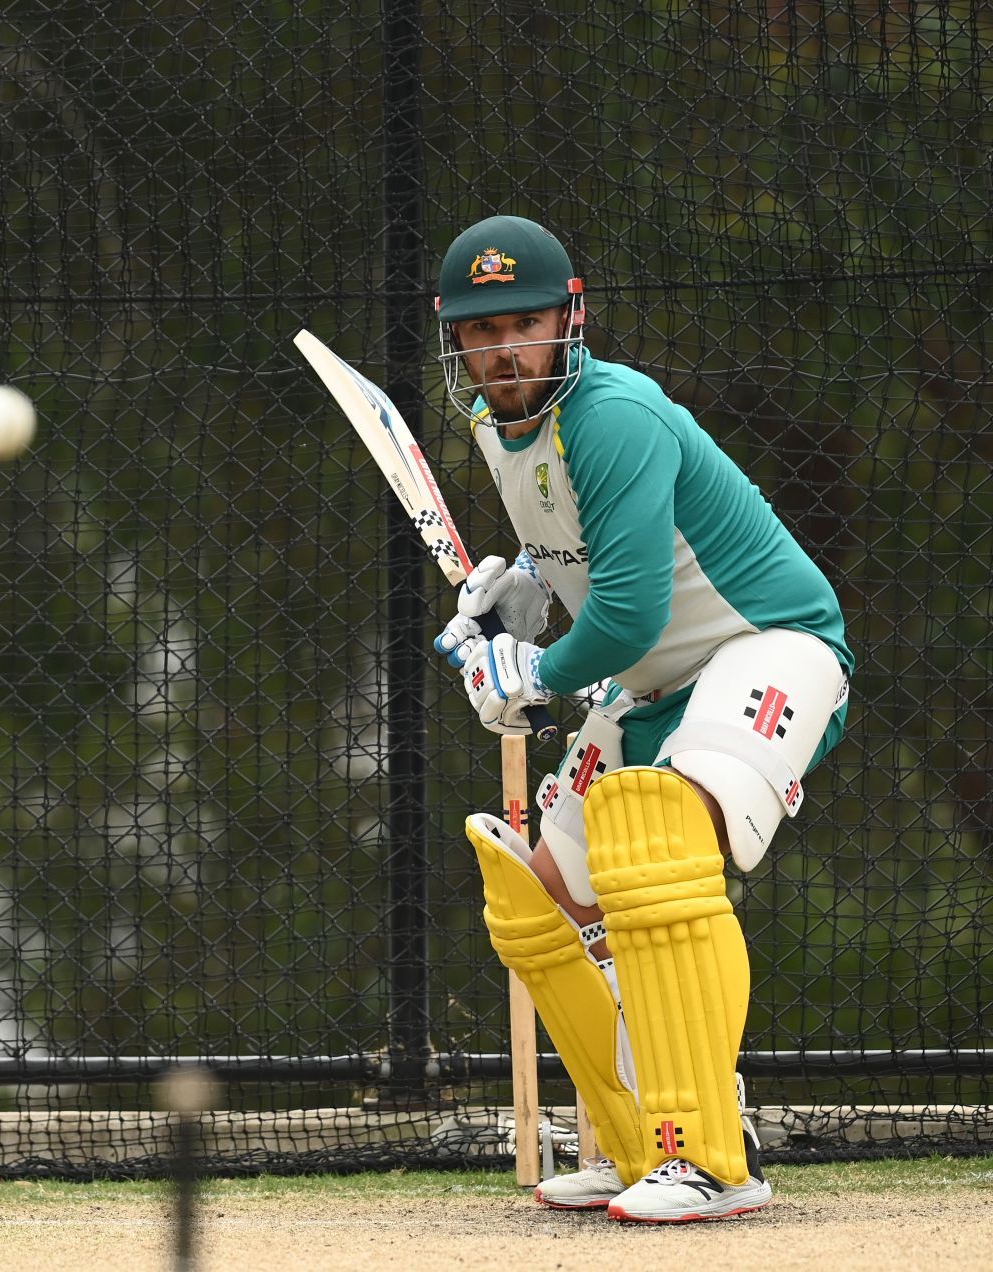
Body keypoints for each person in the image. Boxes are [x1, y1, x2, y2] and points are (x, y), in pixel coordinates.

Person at [428, 215, 852, 1222]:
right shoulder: (499, 426)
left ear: (570, 319)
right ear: (457, 340)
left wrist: (532, 675)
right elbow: (584, 552)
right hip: (659, 681)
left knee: (659, 848)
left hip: (768, 644)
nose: (505, 351)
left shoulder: (612, 414)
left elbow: (626, 611)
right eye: (483, 332)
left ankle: (712, 1158)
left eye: (525, 323)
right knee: (548, 899)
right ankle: (635, 1144)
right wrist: (517, 597)